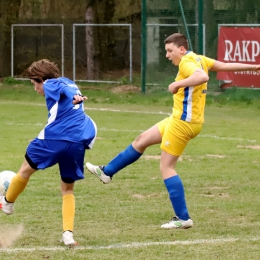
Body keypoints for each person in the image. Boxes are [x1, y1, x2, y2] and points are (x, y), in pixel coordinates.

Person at [86, 33, 260, 229]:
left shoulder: (187, 62)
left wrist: (177, 84)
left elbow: (201, 76)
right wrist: (253, 67)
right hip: (179, 119)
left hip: (183, 123)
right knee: (142, 140)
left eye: (170, 51)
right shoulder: (199, 59)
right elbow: (224, 66)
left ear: (182, 49)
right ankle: (107, 172)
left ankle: (183, 218)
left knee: (166, 167)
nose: (168, 55)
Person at [1, 59, 97, 247]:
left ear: (40, 79)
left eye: (33, 83)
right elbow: (68, 91)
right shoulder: (69, 81)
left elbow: (63, 92)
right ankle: (68, 234)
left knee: (24, 172)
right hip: (76, 142)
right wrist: (76, 98)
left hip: (54, 138)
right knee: (68, 189)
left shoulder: (50, 83)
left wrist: (73, 98)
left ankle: (7, 202)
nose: (35, 88)